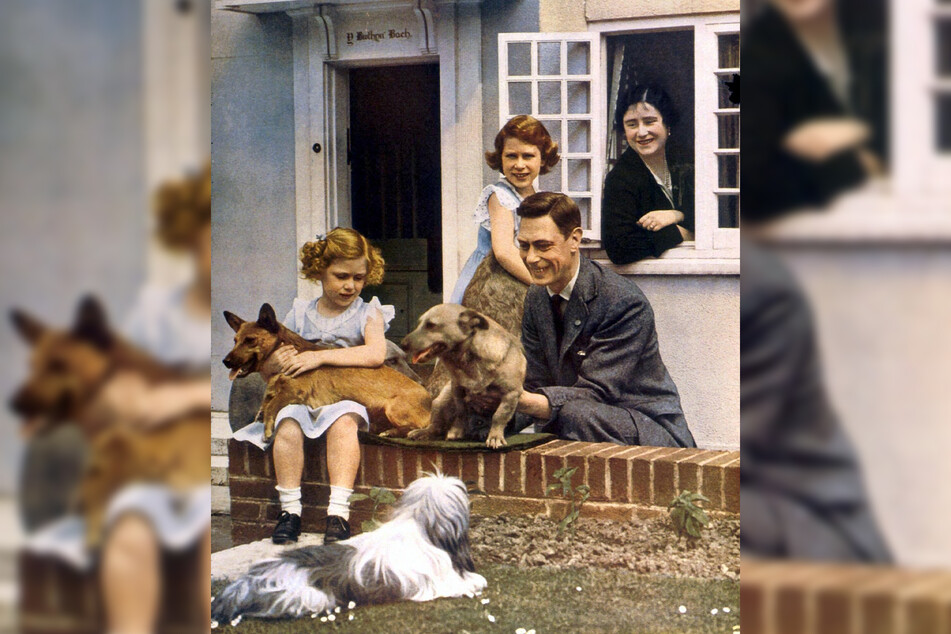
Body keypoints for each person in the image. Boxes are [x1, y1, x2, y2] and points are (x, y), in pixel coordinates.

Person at [232, 227, 394, 545]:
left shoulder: (368, 311)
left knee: (345, 423)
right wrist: (276, 364)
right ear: (319, 271)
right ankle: (290, 511)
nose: (350, 286)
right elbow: (279, 359)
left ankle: (338, 513)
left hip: (347, 395)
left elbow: (376, 354)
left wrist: (319, 358)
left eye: (358, 278)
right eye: (341, 276)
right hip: (304, 397)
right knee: (287, 424)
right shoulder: (302, 312)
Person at [511, 192, 696, 448]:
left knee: (573, 414)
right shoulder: (536, 296)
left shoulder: (623, 301)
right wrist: (487, 405)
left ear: (575, 239)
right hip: (584, 422)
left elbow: (596, 393)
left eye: (543, 246)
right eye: (523, 245)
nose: (531, 258)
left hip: (652, 432)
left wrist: (517, 400)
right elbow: (534, 383)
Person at [743, 0, 887, 220]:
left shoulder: (886, 27)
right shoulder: (760, 47)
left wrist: (859, 132)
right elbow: (756, 187)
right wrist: (856, 163)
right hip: (812, 228)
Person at [449, 115, 560, 308]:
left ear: (542, 159)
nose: (519, 164)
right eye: (511, 156)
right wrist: (541, 286)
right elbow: (504, 252)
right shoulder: (500, 197)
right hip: (491, 282)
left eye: (527, 156)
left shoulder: (538, 199)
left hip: (519, 277)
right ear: (500, 158)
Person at [601, 84, 694, 265]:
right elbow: (619, 247)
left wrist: (676, 216)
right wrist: (680, 233)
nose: (641, 132)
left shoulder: (687, 162)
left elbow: (716, 217)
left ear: (667, 125)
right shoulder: (621, 177)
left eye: (650, 121)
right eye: (632, 124)